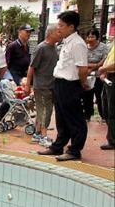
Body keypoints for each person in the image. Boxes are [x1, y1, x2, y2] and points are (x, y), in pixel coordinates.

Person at [38, 11, 89, 161]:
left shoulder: (78, 44)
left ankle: (74, 150)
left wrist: (82, 83)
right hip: (60, 83)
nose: (58, 28)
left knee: (74, 118)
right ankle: (58, 146)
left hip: (70, 85)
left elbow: (83, 68)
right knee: (61, 117)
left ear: (71, 27)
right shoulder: (66, 42)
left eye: (61, 25)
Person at [24, 24, 60, 147]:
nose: (60, 34)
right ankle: (43, 136)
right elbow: (32, 67)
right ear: (51, 33)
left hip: (51, 85)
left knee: (43, 111)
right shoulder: (41, 48)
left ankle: (38, 133)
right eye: (58, 32)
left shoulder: (55, 48)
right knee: (45, 111)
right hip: (42, 85)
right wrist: (28, 85)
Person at [82, 28, 109, 121]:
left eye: (92, 36)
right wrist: (90, 67)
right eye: (88, 36)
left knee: (100, 96)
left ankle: (103, 116)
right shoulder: (84, 47)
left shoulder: (104, 47)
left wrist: (94, 66)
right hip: (87, 76)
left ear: (97, 38)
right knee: (87, 96)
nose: (90, 39)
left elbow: (104, 61)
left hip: (99, 75)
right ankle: (87, 115)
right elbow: (82, 62)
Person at [97, 42, 115, 150]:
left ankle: (112, 140)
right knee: (106, 109)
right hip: (109, 76)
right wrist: (105, 70)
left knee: (112, 110)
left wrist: (103, 69)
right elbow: (109, 59)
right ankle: (111, 137)